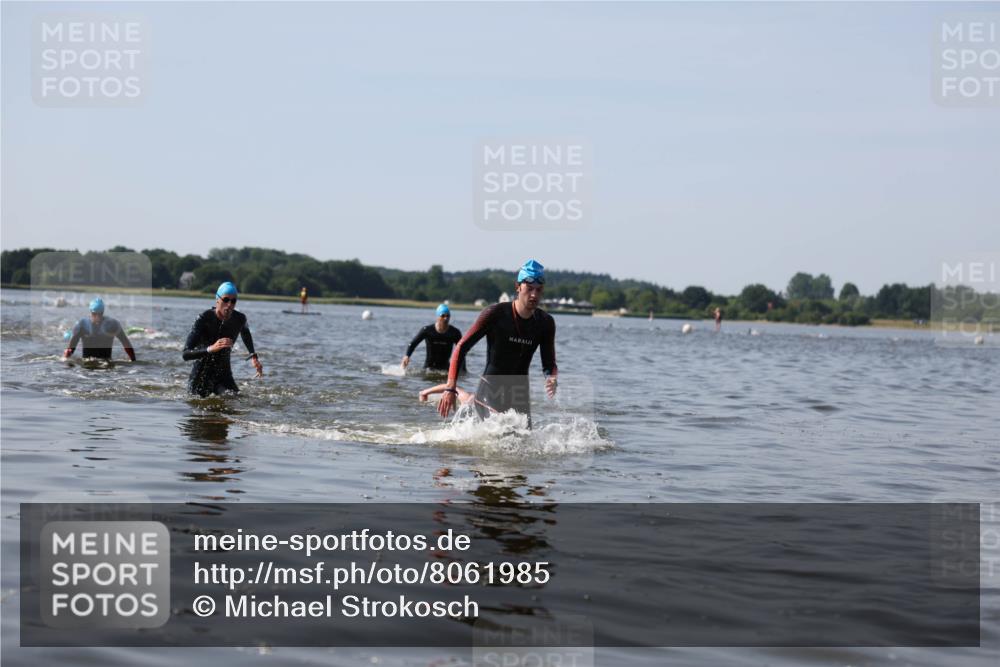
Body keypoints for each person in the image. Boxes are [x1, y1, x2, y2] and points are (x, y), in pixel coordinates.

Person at [437, 259, 557, 425]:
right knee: (496, 440)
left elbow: (549, 363)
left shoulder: (545, 322)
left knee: (525, 446)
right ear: (518, 287)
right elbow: (461, 347)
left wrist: (551, 377)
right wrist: (450, 387)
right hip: (490, 390)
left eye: (539, 290)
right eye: (529, 289)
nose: (534, 295)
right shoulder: (495, 314)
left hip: (519, 394)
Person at [182, 282, 263, 397]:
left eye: (233, 301)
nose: (229, 304)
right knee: (198, 408)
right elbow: (185, 354)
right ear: (217, 300)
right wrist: (211, 349)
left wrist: (253, 356)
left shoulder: (240, 319)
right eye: (226, 300)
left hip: (224, 374)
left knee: (237, 401)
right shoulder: (204, 318)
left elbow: (245, 333)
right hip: (202, 375)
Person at [62, 298, 136, 361]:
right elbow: (70, 349)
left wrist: (133, 361)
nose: (97, 317)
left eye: (99, 314)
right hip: (87, 365)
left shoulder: (113, 325)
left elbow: (126, 344)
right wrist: (66, 358)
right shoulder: (82, 325)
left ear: (102, 312)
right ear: (90, 312)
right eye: (94, 314)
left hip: (106, 364)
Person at [402, 304, 464, 372]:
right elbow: (413, 344)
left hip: (445, 370)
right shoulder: (427, 330)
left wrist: (463, 370)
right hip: (428, 369)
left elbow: (462, 351)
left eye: (448, 316)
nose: (446, 318)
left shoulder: (454, 332)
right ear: (437, 317)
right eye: (442, 316)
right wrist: (407, 356)